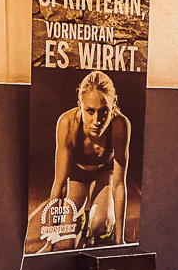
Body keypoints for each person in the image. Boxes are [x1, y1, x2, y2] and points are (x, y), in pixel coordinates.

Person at [26, 71, 132, 253]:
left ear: (113, 107)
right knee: (65, 243)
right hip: (77, 176)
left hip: (104, 174)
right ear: (80, 106)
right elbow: (59, 184)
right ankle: (80, 220)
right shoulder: (67, 123)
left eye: (104, 112)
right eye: (90, 111)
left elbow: (119, 185)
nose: (96, 121)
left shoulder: (120, 125)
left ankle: (96, 226)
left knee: (100, 225)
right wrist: (50, 242)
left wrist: (120, 241)